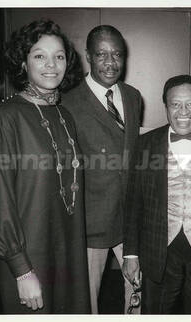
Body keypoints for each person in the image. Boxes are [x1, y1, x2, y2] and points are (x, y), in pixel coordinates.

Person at [0, 19, 90, 313]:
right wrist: (21, 269)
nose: (51, 64)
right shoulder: (7, 118)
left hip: (69, 253)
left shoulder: (65, 115)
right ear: (22, 62)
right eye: (39, 55)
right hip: (31, 256)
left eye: (59, 56)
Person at [123, 75, 191, 313]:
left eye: (190, 104)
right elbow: (133, 202)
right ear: (166, 107)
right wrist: (130, 254)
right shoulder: (145, 144)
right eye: (175, 104)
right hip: (158, 248)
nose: (183, 112)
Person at [62, 25, 142, 314]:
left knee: (138, 292)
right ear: (88, 56)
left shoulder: (133, 96)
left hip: (131, 219)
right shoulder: (67, 102)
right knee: (87, 301)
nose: (111, 63)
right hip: (90, 221)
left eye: (117, 54)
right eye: (102, 54)